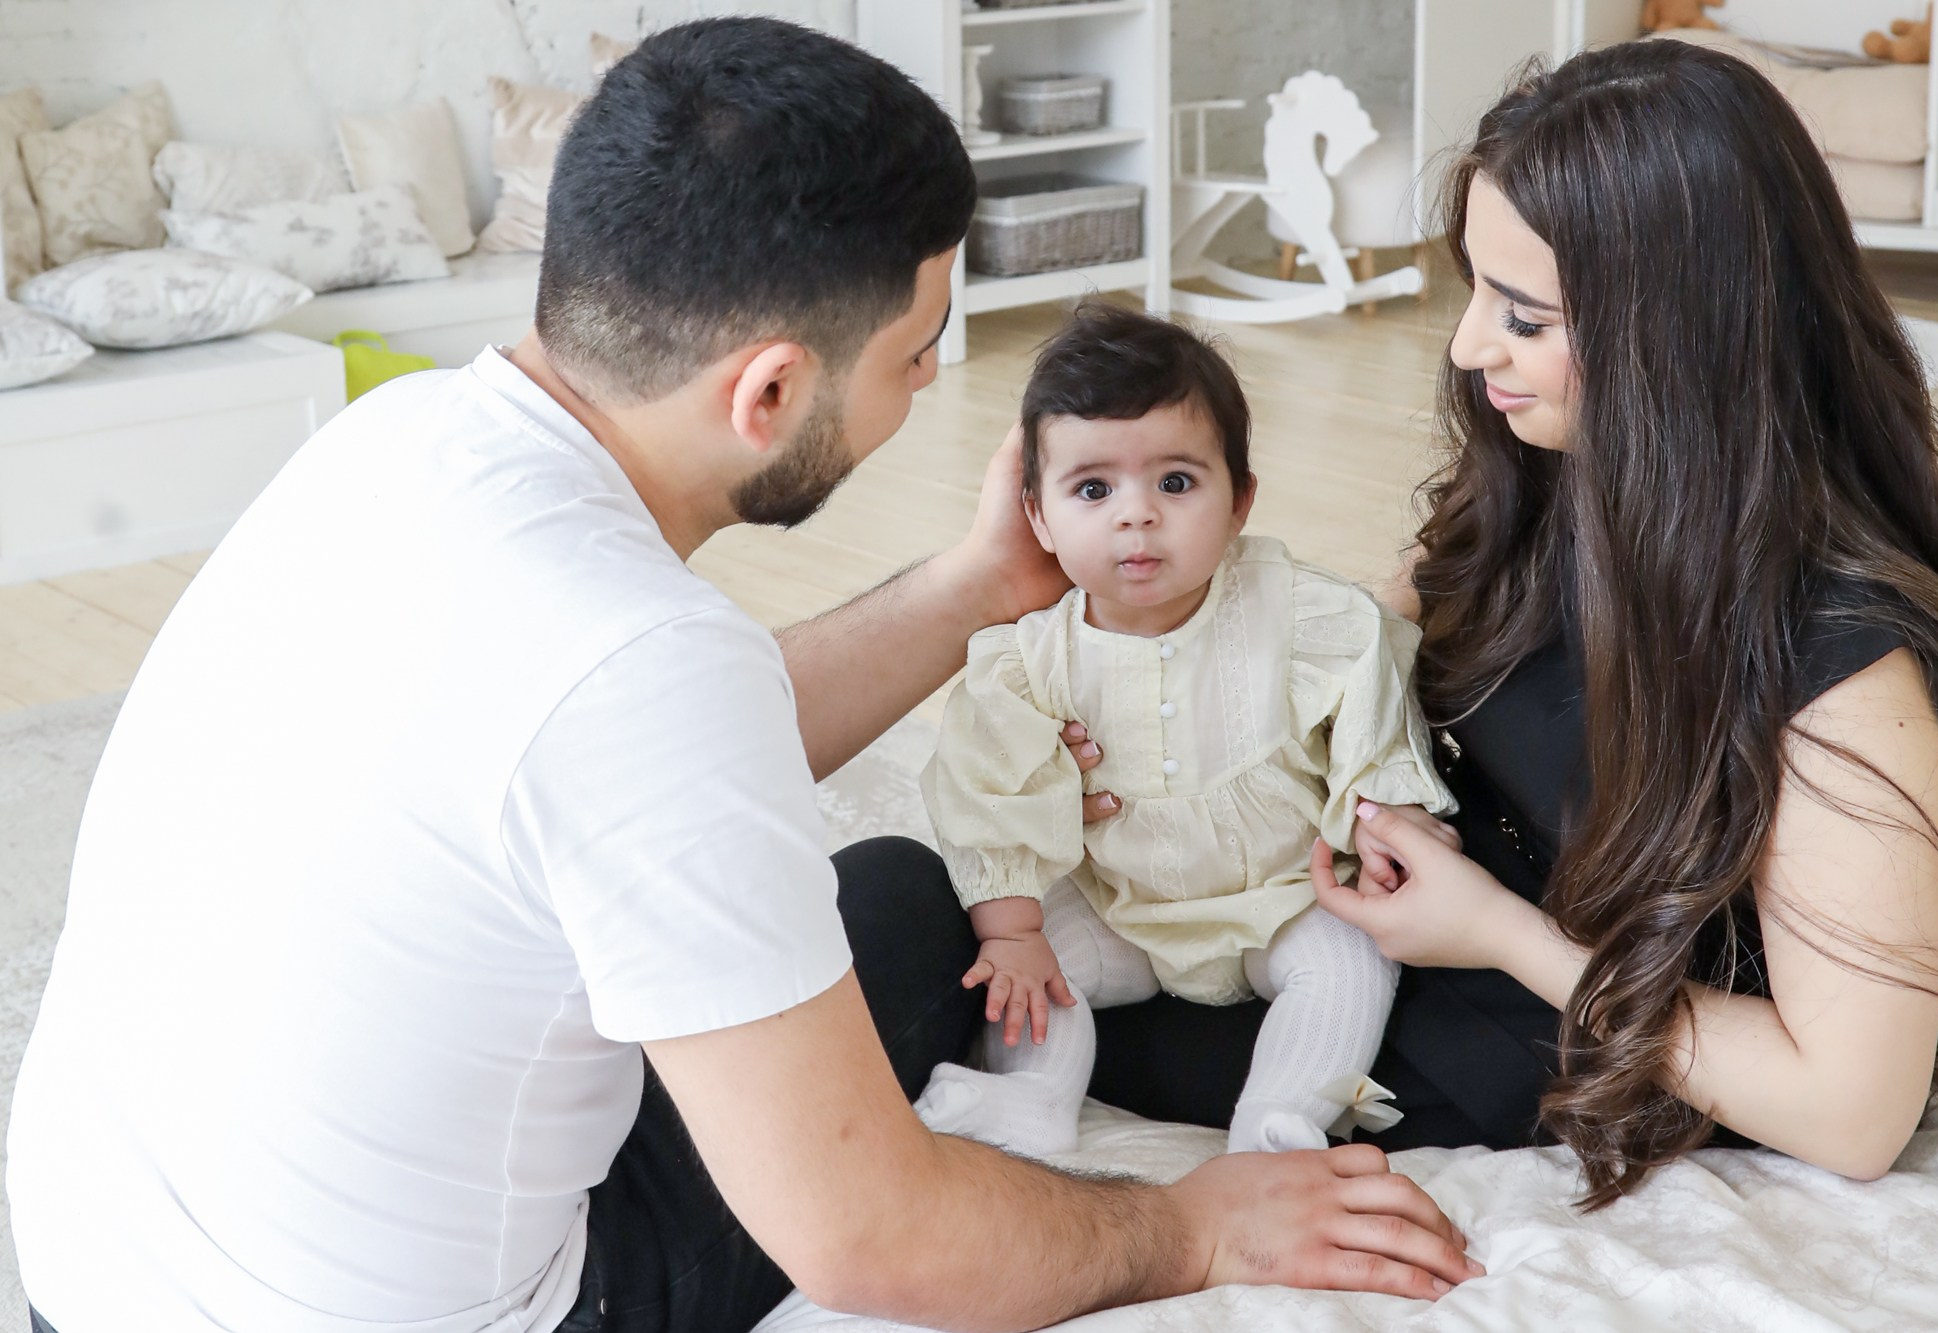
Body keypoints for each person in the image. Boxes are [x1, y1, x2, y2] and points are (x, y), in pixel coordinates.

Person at [5, 18, 1479, 1333]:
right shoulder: (641, 669)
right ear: (771, 391)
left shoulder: (386, 449)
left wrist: (976, 587)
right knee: (897, 945)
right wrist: (1194, 1224)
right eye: (915, 357)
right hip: (472, 1309)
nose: (924, 390)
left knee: (896, 892)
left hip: (91, 1258)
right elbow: (876, 1237)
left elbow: (631, 751)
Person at [1076, 37, 1938, 1208]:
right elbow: (1354, 661)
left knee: (947, 984)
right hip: (1384, 922)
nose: (1468, 349)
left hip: (1558, 1032)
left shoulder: (1844, 670)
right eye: (1476, 290)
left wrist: (1500, 934)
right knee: (939, 910)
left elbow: (1851, 1111)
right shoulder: (1554, 472)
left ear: (1676, 341)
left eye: (1522, 315)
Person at [912, 303, 1457, 1160]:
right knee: (1028, 968)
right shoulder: (1028, 663)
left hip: (1285, 897)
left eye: (1174, 483)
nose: (1137, 516)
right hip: (1118, 907)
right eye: (1094, 489)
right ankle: (1034, 1098)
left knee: (1352, 963)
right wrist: (1012, 930)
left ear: (1240, 500)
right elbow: (991, 796)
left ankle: (1277, 1127)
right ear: (1040, 518)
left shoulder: (1301, 613)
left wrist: (1385, 818)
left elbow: (1371, 713)